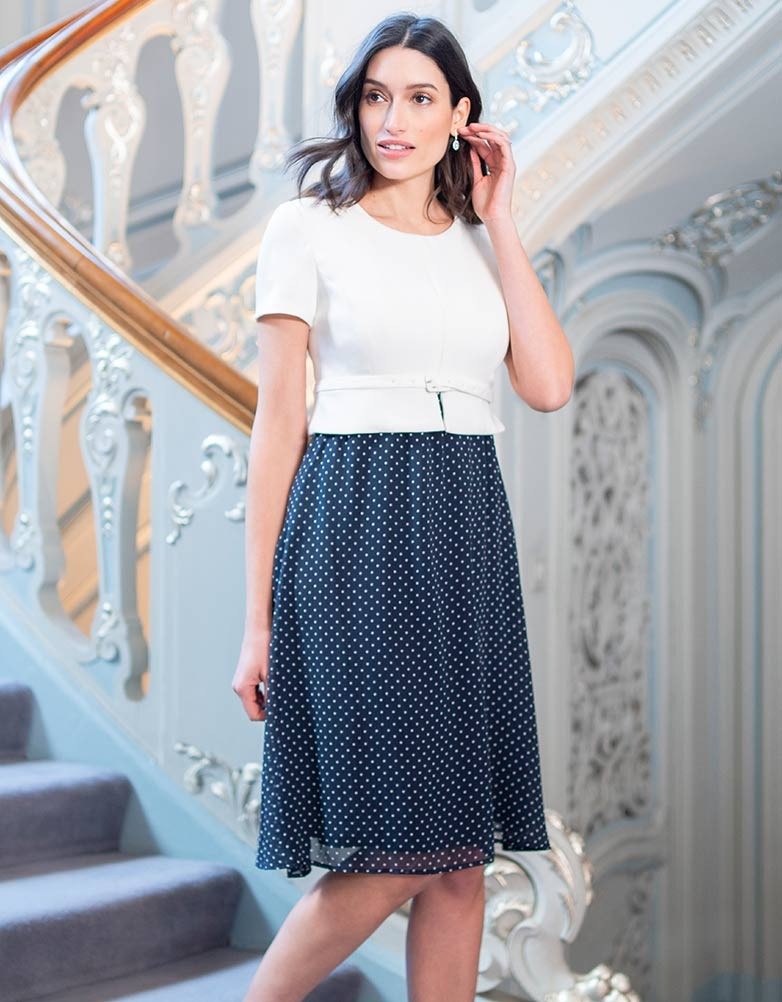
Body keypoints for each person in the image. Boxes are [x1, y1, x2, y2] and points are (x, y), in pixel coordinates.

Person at [232, 12, 574, 1002]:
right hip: (354, 530)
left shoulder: (478, 241)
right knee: (396, 854)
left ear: (461, 115)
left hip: (465, 532)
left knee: (460, 863)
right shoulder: (307, 227)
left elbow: (547, 385)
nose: (393, 120)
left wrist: (501, 218)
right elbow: (277, 428)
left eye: (420, 98)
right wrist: (258, 623)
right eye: (376, 97)